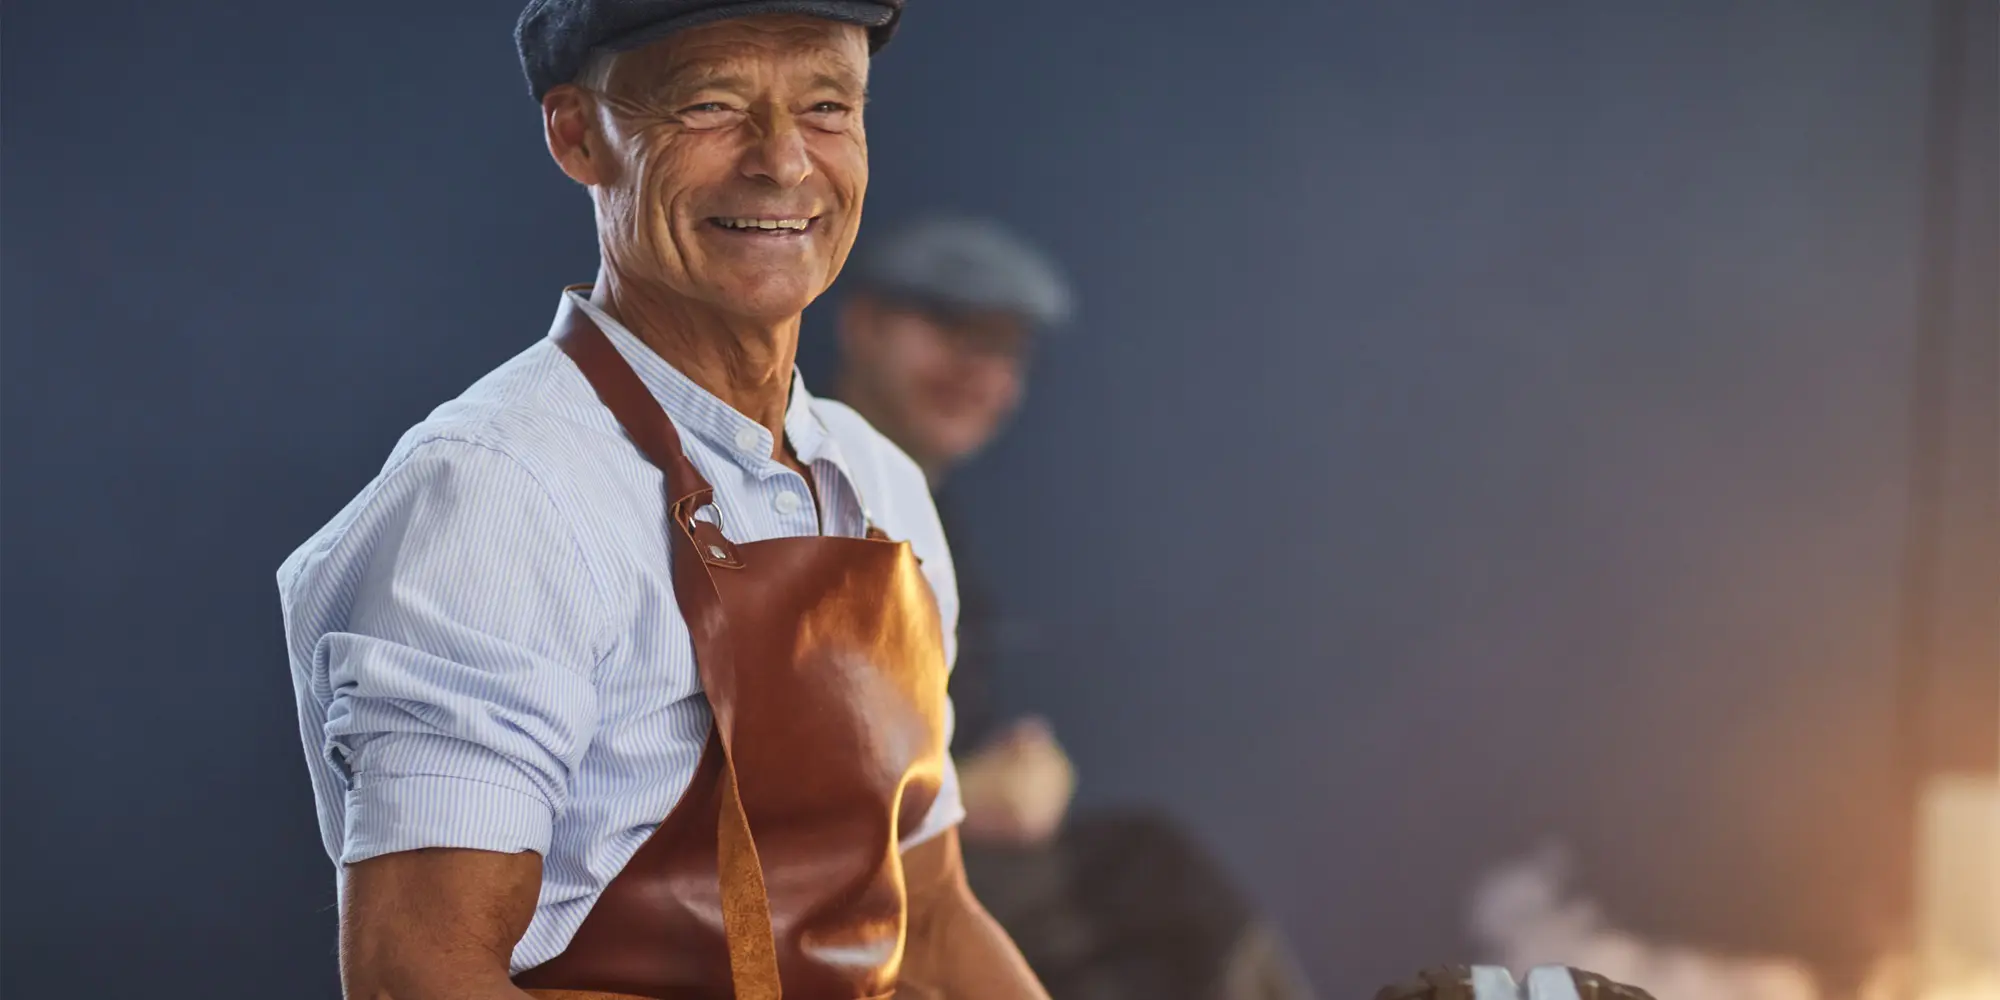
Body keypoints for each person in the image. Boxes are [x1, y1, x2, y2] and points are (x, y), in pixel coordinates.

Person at [276, 4, 1049, 998]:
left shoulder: (880, 485)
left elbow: (932, 916)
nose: (782, 162)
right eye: (711, 104)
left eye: (825, 105)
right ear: (575, 133)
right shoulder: (501, 494)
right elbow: (419, 974)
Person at [832, 215, 1318, 1000]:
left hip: (892, 867)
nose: (976, 369)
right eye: (950, 327)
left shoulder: (919, 509)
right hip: (822, 884)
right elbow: (751, 762)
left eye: (1004, 349)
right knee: (1151, 878)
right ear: (861, 324)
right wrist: (957, 792)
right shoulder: (802, 490)